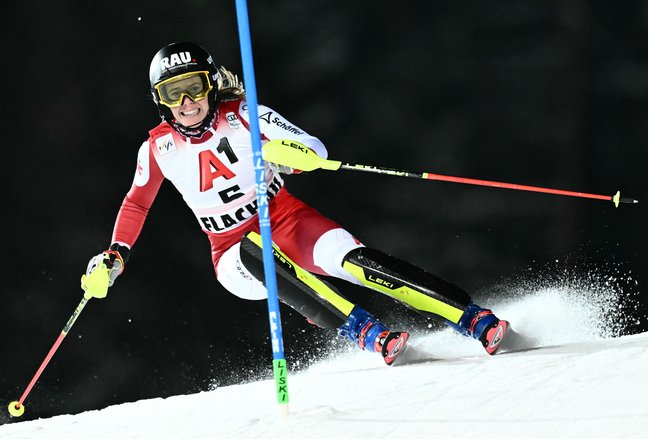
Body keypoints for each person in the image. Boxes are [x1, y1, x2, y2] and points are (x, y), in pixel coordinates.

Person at [83, 41, 510, 366]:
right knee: (257, 254)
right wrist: (113, 258)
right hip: (230, 252)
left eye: (193, 88)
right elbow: (136, 205)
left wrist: (291, 154)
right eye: (173, 93)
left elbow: (314, 149)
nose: (187, 103)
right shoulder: (157, 149)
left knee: (360, 264)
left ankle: (471, 318)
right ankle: (365, 332)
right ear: (160, 99)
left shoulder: (247, 114)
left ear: (211, 84)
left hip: (287, 218)